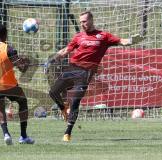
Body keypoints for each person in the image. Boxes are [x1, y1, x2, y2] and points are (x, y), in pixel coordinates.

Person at [44, 11, 143, 142]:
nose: (82, 24)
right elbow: (65, 51)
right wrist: (52, 59)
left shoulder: (103, 36)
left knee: (75, 101)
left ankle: (67, 133)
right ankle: (63, 108)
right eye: (80, 22)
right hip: (72, 68)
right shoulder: (78, 37)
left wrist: (131, 40)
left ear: (91, 20)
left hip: (85, 73)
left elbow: (122, 41)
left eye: (84, 21)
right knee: (53, 92)